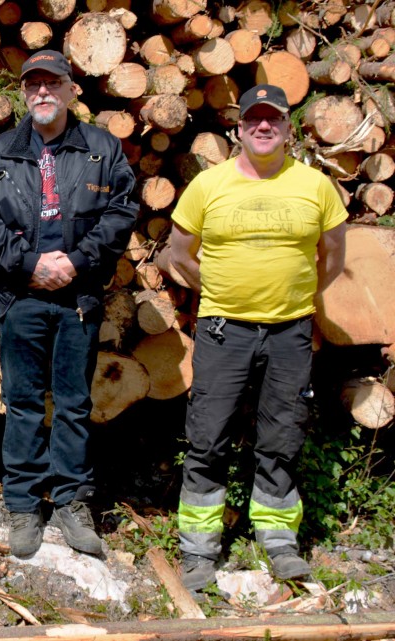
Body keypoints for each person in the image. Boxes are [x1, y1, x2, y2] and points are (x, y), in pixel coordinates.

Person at [170, 84, 347, 591]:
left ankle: (278, 540)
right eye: (254, 120)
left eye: (273, 119)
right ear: (239, 129)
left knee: (282, 434)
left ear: (290, 128)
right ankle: (199, 549)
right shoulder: (209, 186)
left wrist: (300, 299)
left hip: (291, 331)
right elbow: (181, 255)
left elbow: (332, 258)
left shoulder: (315, 186)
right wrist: (221, 293)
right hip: (224, 330)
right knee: (208, 435)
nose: (263, 127)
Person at [0, 50, 138, 558]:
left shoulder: (103, 150)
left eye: (52, 83)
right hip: (22, 297)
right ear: (24, 93)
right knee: (21, 403)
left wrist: (77, 262)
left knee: (75, 404)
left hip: (78, 297)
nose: (43, 92)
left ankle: (71, 500)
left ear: (69, 90)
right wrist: (28, 265)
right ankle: (21, 505)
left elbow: (120, 213)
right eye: (33, 84)